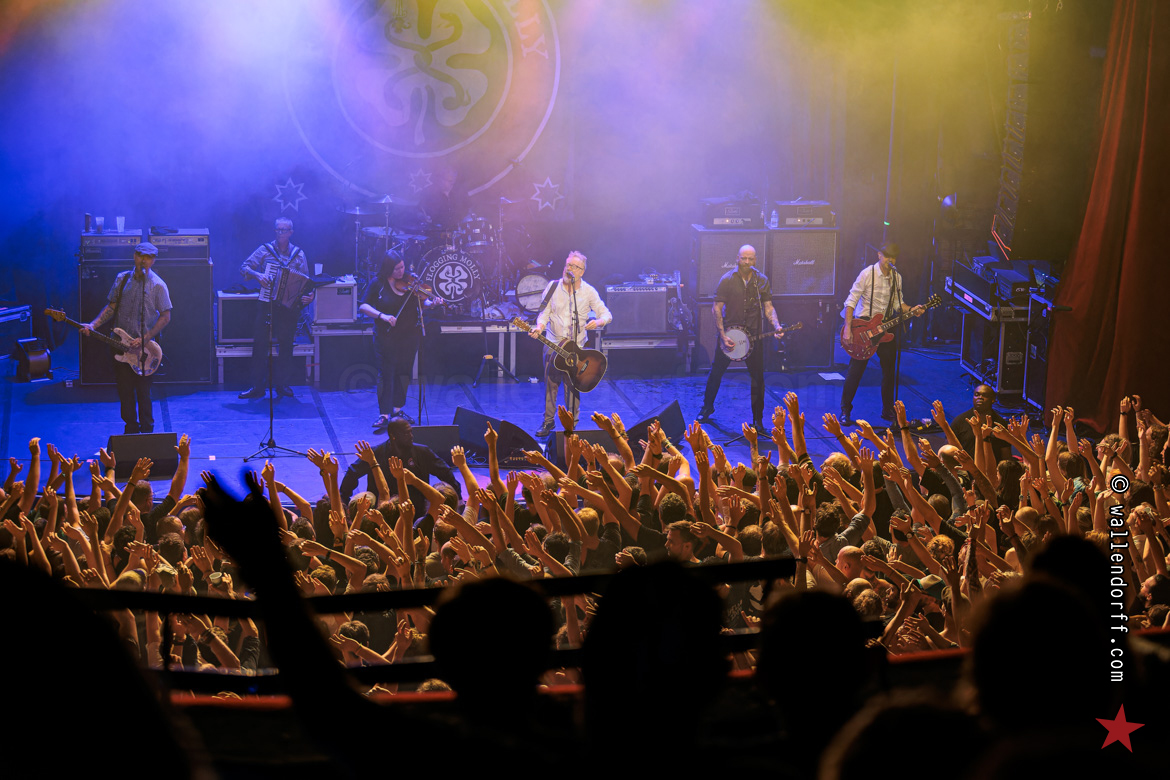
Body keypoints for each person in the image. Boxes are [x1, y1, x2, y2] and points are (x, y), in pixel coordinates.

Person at [82, 242, 172, 434]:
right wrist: (93, 325)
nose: (143, 260)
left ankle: (147, 431)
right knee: (124, 390)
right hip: (119, 344)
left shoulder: (158, 285)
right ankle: (130, 428)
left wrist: (146, 337)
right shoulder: (122, 279)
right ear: (134, 256)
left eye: (148, 257)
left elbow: (165, 316)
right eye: (141, 256)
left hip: (144, 350)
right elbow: (112, 306)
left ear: (153, 260)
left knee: (143, 392)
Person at [696, 244, 783, 432]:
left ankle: (757, 420)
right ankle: (707, 407)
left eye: (750, 258)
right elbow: (716, 308)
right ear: (737, 258)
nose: (747, 262)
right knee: (716, 372)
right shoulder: (727, 280)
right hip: (731, 334)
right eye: (744, 258)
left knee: (758, 378)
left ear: (755, 260)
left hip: (754, 335)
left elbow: (768, 307)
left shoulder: (761, 281)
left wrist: (776, 325)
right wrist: (722, 335)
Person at [839, 241, 925, 425]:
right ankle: (845, 409)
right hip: (864, 327)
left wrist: (912, 310)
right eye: (886, 256)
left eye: (893, 257)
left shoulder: (896, 277)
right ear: (879, 255)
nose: (889, 260)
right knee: (855, 371)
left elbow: (898, 305)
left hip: (885, 327)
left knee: (889, 370)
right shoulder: (867, 274)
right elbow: (850, 301)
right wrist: (847, 328)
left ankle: (888, 410)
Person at [529, 251, 612, 438]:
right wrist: (539, 327)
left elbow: (607, 314)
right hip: (553, 343)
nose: (570, 269)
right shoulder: (553, 287)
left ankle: (571, 424)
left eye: (575, 267)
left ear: (582, 271)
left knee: (572, 387)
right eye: (568, 265)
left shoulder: (588, 291)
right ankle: (548, 421)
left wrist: (598, 322)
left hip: (577, 347)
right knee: (551, 384)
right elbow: (544, 313)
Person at [238, 218, 314, 400]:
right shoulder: (265, 250)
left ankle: (282, 384)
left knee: (286, 346)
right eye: (278, 230)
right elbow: (244, 268)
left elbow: (306, 282)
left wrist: (310, 296)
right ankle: (257, 386)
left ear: (291, 232)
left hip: (289, 307)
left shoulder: (299, 254)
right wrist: (258, 275)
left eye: (284, 230)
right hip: (267, 303)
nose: (280, 233)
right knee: (260, 345)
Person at [358, 251, 436, 428]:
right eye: (397, 269)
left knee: (404, 372)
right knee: (386, 373)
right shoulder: (378, 283)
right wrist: (382, 316)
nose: (401, 271)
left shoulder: (411, 282)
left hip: (409, 335)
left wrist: (432, 303)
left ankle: (397, 410)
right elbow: (363, 306)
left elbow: (422, 302)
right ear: (388, 269)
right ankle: (384, 414)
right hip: (386, 336)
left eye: (402, 267)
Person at [338, 418, 460, 507]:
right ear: (393, 436)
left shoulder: (422, 452)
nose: (411, 436)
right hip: (383, 510)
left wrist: (458, 497)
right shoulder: (375, 454)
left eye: (411, 432)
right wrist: (344, 498)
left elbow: (445, 472)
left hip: (415, 509)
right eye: (406, 433)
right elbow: (352, 473)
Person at [949, 384, 1011, 462]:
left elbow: (1006, 454)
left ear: (993, 400)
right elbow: (949, 449)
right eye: (977, 395)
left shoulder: (1000, 423)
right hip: (966, 467)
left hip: (993, 467)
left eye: (985, 395)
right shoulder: (960, 421)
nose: (980, 397)